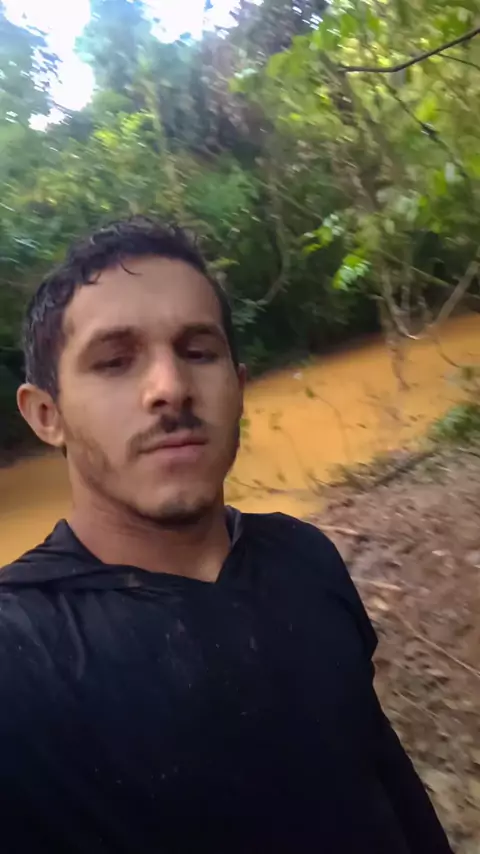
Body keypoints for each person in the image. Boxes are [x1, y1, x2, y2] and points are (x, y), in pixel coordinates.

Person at [0, 216, 451, 854]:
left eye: (198, 352)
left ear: (237, 388)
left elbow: (384, 782)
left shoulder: (304, 556)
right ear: (47, 415)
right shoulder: (21, 655)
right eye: (115, 361)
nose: (170, 388)